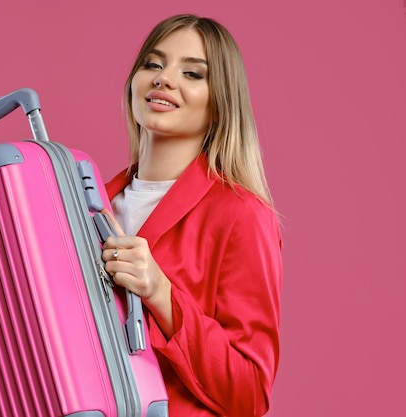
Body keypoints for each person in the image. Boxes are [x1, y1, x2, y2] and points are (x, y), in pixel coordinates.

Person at [101, 14, 283, 417]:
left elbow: (250, 394)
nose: (164, 79)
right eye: (153, 64)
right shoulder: (86, 201)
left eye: (192, 73)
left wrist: (161, 294)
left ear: (220, 104)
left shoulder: (242, 215)